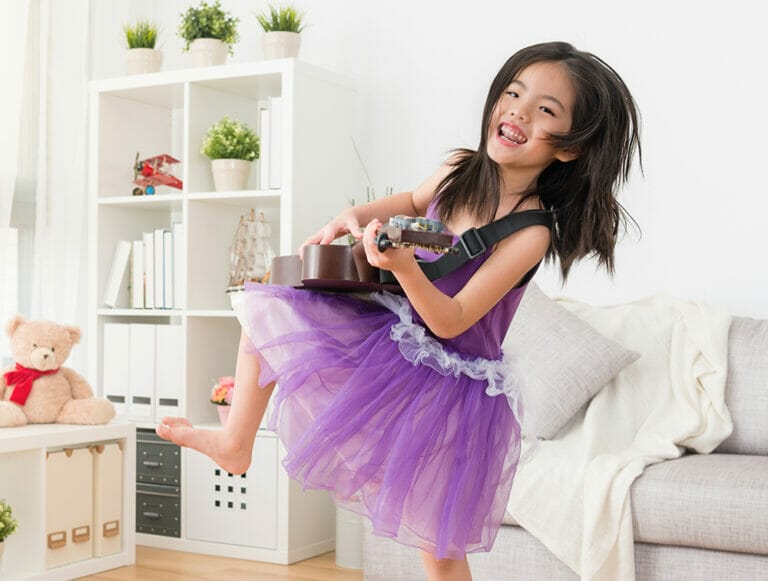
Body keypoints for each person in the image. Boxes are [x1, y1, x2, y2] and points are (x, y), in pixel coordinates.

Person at [157, 40, 641, 580]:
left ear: (569, 148)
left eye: (546, 110)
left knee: (439, 548)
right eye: (513, 92)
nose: (519, 111)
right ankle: (235, 441)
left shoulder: (530, 233)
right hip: (397, 341)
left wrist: (407, 267)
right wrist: (352, 216)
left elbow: (453, 319)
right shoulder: (459, 169)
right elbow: (411, 204)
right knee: (271, 308)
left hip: (453, 387)